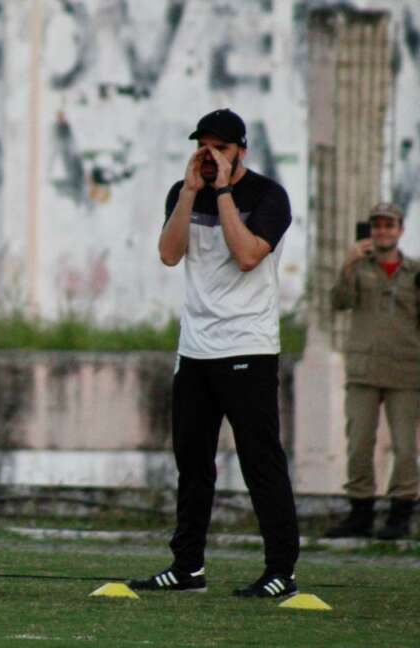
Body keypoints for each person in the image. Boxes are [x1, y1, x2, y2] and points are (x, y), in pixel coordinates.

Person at [128, 108, 301, 597]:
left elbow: (248, 256)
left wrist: (224, 191)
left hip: (248, 347)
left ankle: (281, 571)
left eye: (221, 149)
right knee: (193, 462)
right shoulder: (184, 191)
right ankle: (187, 568)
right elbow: (168, 253)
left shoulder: (269, 196)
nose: (210, 157)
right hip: (196, 350)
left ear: (241, 150)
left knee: (261, 463)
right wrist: (188, 192)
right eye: (204, 147)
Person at [324, 202, 419, 540]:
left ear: (400, 230)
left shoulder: (414, 272)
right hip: (364, 369)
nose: (382, 231)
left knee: (406, 447)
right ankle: (360, 513)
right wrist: (349, 261)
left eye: (389, 225)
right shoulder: (358, 267)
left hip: (406, 370)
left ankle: (400, 513)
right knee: (359, 444)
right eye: (377, 225)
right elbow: (338, 302)